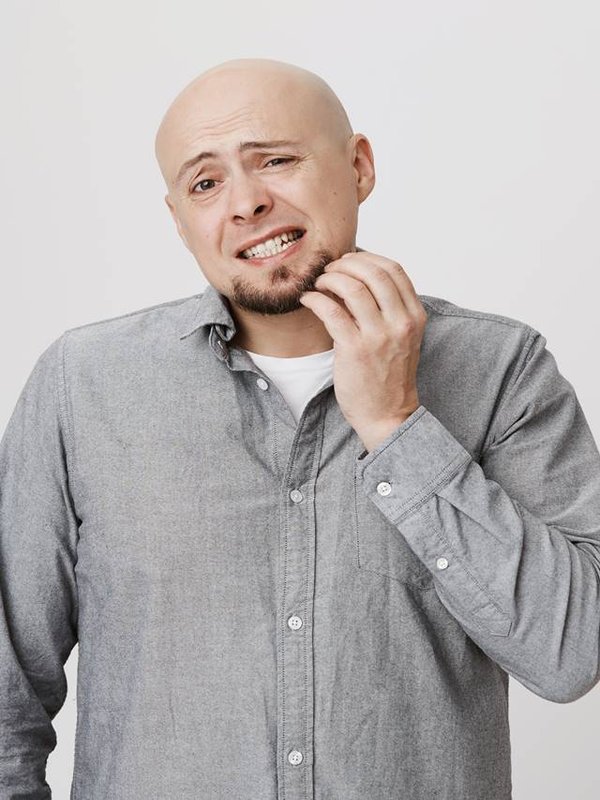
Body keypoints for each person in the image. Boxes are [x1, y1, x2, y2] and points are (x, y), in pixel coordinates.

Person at [1, 57, 599, 800]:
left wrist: (396, 426)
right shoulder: (81, 385)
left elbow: (571, 653)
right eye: (206, 183)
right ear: (180, 220)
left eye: (275, 160)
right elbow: (6, 696)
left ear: (358, 167)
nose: (246, 203)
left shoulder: (504, 371)